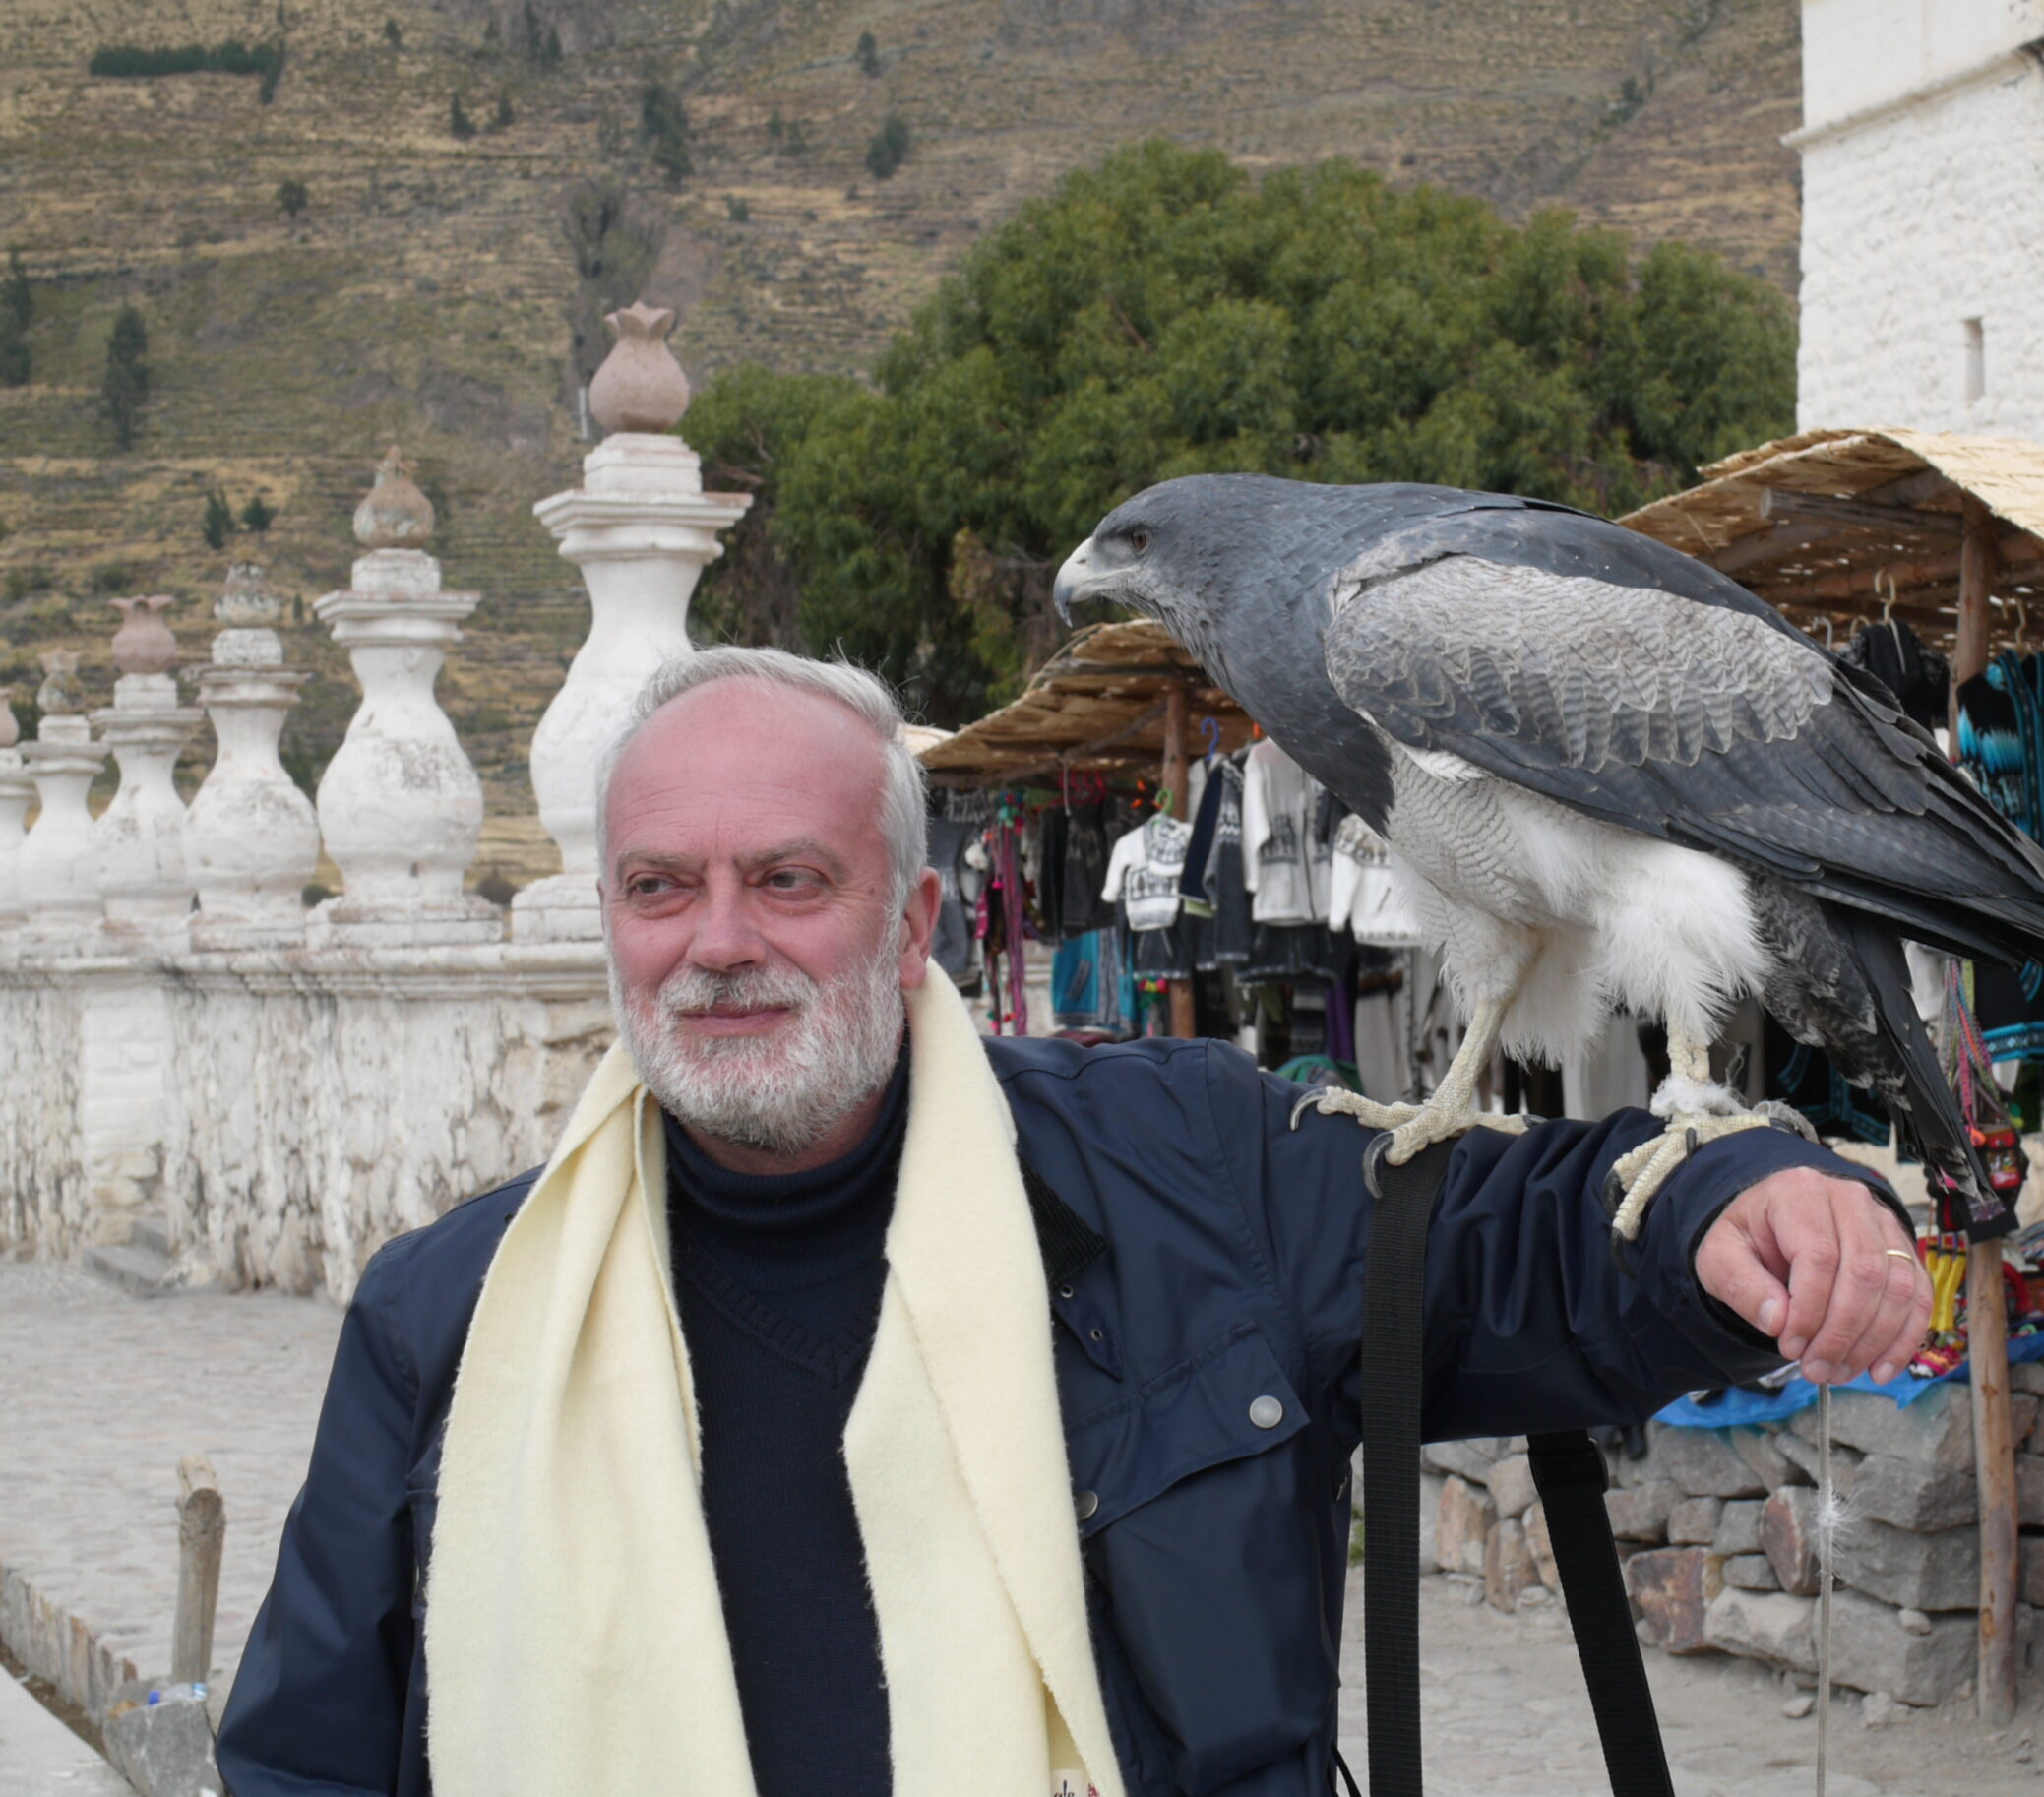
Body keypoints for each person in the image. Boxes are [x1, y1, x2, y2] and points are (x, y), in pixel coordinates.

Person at [216, 647, 1931, 1797]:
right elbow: (304, 1760)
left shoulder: (1195, 1178)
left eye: (788, 880)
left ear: (914, 920)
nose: (718, 939)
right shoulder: (452, 1315)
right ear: (611, 918)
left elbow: (1498, 1239)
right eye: (663, 887)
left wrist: (1732, 1189)